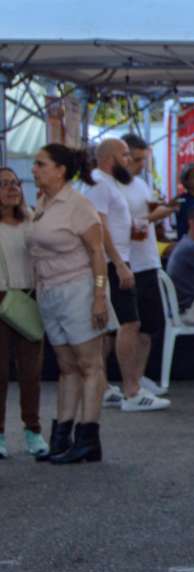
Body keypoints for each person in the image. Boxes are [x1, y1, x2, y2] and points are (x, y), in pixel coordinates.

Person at [28, 144, 116, 465]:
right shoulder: (43, 203)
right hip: (50, 291)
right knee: (66, 366)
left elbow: (97, 253)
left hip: (78, 290)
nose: (34, 169)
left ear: (60, 170)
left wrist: (98, 297)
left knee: (90, 364)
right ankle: (62, 436)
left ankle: (88, 437)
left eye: (41, 164)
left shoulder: (78, 205)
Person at [87, 139, 168, 413]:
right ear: (110, 158)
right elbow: (100, 227)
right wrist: (120, 263)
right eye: (125, 155)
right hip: (113, 262)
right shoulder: (99, 183)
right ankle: (131, 391)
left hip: (121, 260)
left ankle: (114, 386)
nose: (129, 160)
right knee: (127, 324)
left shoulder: (110, 183)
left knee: (126, 324)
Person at [121, 134, 175, 397]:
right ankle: (126, 382)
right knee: (126, 327)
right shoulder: (110, 188)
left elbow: (146, 217)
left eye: (144, 159)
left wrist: (160, 213)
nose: (141, 165)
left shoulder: (141, 184)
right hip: (126, 263)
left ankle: (139, 378)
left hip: (148, 261)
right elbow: (122, 225)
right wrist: (155, 216)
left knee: (149, 327)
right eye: (137, 159)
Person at [0, 167, 47, 459]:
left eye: (15, 183)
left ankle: (33, 431)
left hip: (29, 299)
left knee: (31, 372)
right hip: (1, 298)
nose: (12, 188)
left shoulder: (31, 220)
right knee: (0, 373)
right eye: (4, 184)